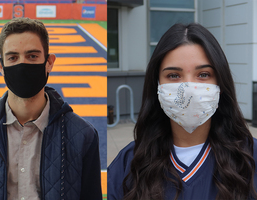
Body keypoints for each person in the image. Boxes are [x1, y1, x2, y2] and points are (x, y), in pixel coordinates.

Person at [108, 23, 257, 200]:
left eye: (203, 74)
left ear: (221, 84)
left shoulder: (251, 158)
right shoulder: (128, 164)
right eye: (173, 75)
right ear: (157, 86)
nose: (189, 89)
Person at [0, 18, 102, 200]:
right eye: (13, 58)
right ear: (0, 66)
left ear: (49, 62)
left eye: (32, 56)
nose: (22, 65)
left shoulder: (83, 135)